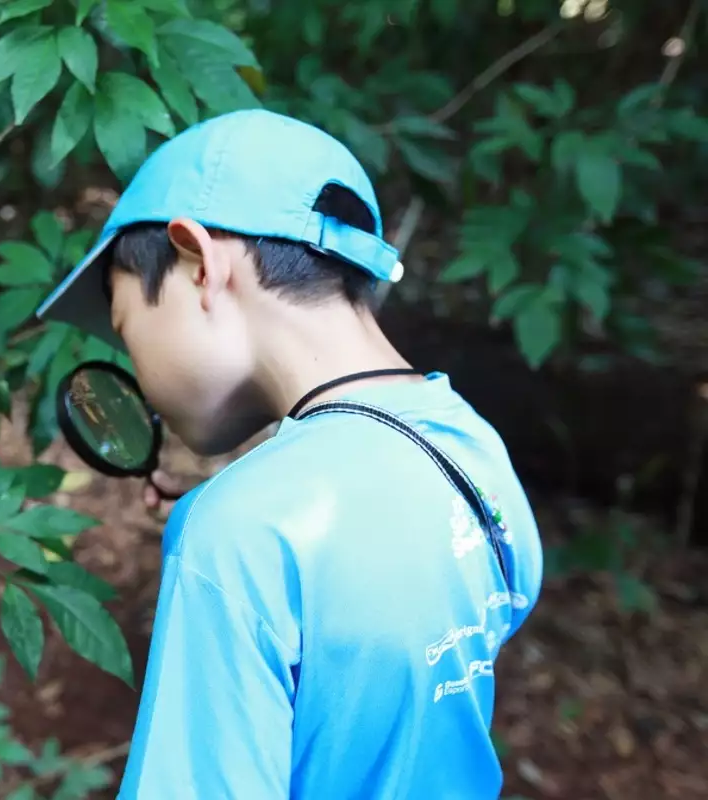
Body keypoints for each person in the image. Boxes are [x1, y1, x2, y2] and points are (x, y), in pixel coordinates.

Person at [35, 109, 544, 799]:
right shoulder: (474, 450)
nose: (145, 385)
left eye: (129, 330)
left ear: (197, 264)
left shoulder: (240, 534)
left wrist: (228, 547)